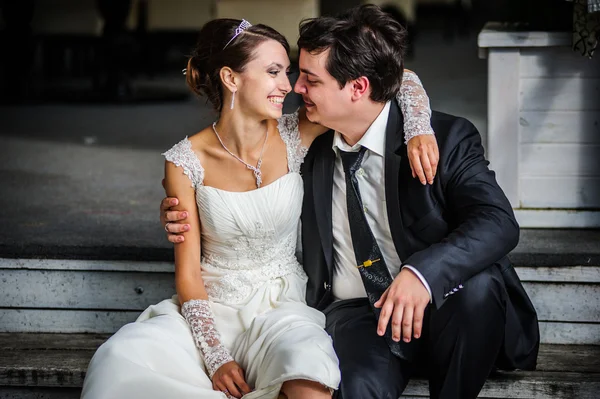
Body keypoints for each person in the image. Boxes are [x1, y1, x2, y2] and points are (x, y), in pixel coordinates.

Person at [162, 5, 541, 399]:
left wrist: (422, 273)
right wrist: (189, 206)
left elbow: (498, 222)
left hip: (446, 308)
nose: (296, 89)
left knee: (478, 286)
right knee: (351, 388)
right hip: (357, 314)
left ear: (358, 88)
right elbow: (239, 191)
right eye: (292, 75)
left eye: (309, 79)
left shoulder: (443, 139)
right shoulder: (311, 138)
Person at [83, 11, 439, 399]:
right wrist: (216, 356)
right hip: (210, 308)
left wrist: (419, 128)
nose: (288, 87)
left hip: (283, 307)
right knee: (122, 362)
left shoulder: (297, 132)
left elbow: (401, 77)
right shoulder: (183, 162)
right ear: (231, 78)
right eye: (274, 72)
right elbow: (188, 276)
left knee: (309, 377)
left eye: (288, 72)